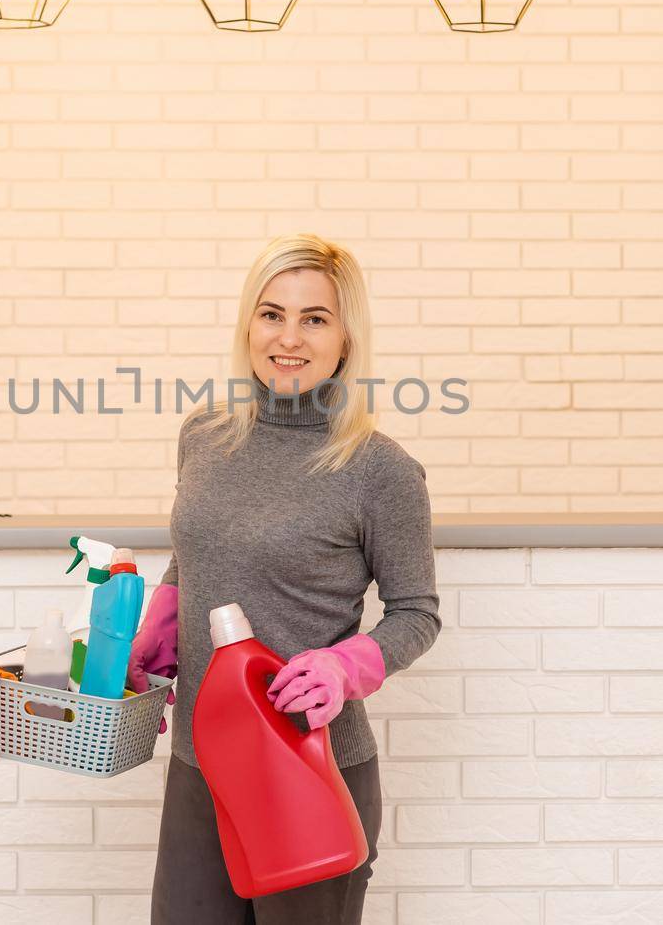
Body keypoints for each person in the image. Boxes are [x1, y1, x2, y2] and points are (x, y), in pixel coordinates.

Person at [128, 233, 442, 924]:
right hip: (199, 764)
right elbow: (201, 549)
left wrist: (346, 665)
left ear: (346, 339)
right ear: (248, 324)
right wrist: (163, 619)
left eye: (315, 318)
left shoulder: (379, 470)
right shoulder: (204, 435)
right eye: (272, 314)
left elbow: (417, 610)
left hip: (308, 769)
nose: (288, 337)